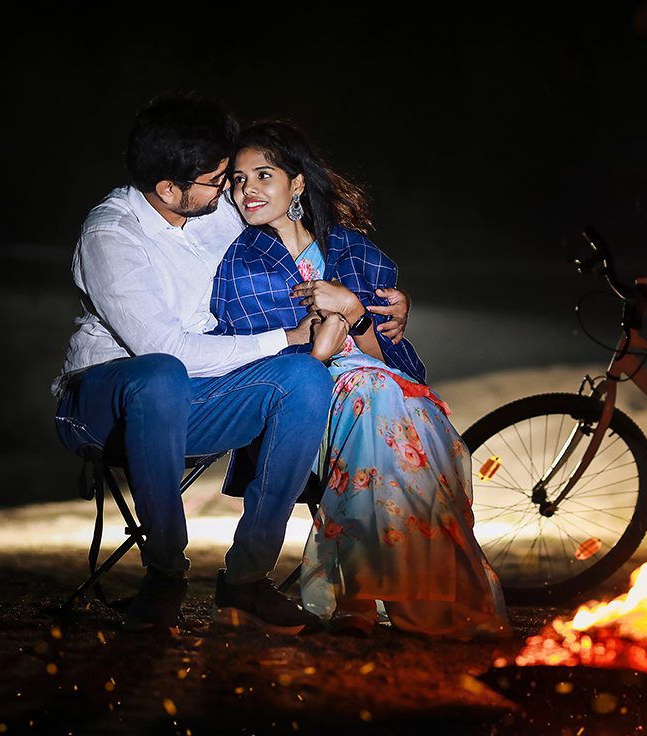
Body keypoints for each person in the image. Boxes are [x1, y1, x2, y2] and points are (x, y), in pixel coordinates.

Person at [211, 122, 508, 638]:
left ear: (297, 183)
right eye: (237, 180)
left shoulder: (352, 249)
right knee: (380, 401)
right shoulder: (243, 260)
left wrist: (353, 310)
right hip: (295, 392)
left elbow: (400, 363)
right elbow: (250, 356)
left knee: (415, 410)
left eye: (263, 174)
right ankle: (366, 596)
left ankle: (377, 597)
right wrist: (319, 345)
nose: (247, 190)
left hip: (376, 386)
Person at [53, 96, 337, 635]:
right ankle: (164, 573)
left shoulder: (211, 209)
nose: (230, 189)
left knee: (304, 378)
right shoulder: (111, 233)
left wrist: (368, 298)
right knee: (160, 374)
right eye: (216, 180)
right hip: (104, 402)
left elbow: (301, 237)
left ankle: (248, 579)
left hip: (197, 398)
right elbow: (166, 348)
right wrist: (283, 337)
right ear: (168, 189)